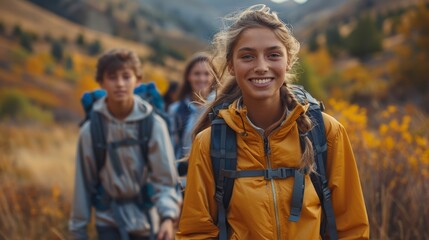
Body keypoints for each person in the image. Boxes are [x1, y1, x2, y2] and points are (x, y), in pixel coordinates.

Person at [176, 5, 369, 240]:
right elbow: (196, 233)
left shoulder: (326, 132)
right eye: (247, 56)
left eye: (273, 55)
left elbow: (352, 229)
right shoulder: (210, 144)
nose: (261, 66)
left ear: (288, 61)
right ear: (231, 66)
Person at [69, 48, 180, 240]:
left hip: (148, 221)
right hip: (108, 222)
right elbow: (83, 185)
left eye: (126, 77)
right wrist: (78, 232)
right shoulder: (91, 130)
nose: (120, 84)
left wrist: (167, 218)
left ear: (137, 81)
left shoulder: (153, 124)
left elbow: (165, 180)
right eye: (112, 77)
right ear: (101, 82)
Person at [168, 53, 217, 164]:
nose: (201, 78)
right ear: (188, 76)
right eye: (197, 74)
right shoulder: (176, 110)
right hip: (183, 172)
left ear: (214, 77)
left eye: (206, 74)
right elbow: (172, 145)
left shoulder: (222, 107)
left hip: (212, 172)